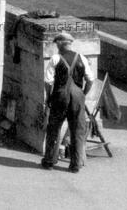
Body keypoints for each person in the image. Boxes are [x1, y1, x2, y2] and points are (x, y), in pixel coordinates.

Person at [41, 32, 94, 173]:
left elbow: (48, 81)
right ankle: (75, 164)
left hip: (60, 95)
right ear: (70, 44)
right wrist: (83, 94)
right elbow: (90, 80)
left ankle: (49, 160)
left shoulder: (56, 58)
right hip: (77, 95)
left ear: (59, 44)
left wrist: (48, 97)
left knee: (54, 128)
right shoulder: (81, 57)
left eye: (56, 44)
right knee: (77, 130)